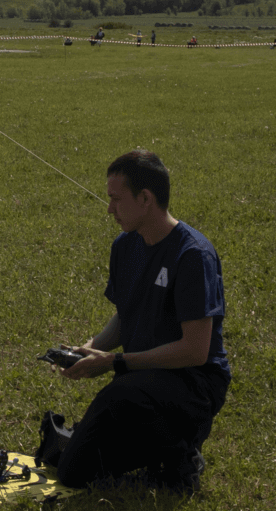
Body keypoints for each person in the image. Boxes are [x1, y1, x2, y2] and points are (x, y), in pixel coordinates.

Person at [46, 150, 229, 491]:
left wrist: (115, 362)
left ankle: (182, 456)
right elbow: (125, 314)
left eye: (116, 199)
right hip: (141, 380)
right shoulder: (125, 246)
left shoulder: (192, 255)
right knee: (72, 469)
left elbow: (195, 351)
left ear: (145, 199)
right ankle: (156, 450)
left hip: (193, 384)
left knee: (118, 396)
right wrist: (89, 349)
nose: (109, 210)